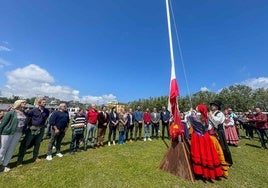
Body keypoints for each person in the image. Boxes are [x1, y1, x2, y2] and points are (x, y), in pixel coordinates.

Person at [187, 104, 222, 180]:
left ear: (199, 109)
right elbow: (209, 126)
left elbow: (188, 118)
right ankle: (209, 171)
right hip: (206, 136)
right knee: (207, 153)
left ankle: (200, 171)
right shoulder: (206, 117)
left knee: (199, 152)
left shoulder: (194, 117)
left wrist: (190, 112)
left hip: (197, 137)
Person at [17, 99, 50, 165]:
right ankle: (20, 161)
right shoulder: (33, 110)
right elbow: (26, 116)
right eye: (43, 102)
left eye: (45, 102)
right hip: (32, 129)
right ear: (39, 103)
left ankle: (35, 157)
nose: (45, 103)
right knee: (26, 144)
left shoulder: (46, 111)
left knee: (37, 144)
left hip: (41, 129)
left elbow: (46, 118)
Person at [0, 100, 26, 172]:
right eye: (23, 102)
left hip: (18, 133)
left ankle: (4, 165)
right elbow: (3, 123)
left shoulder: (23, 113)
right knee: (3, 148)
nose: (25, 103)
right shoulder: (11, 112)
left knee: (11, 149)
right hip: (8, 132)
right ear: (18, 104)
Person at [209, 100, 233, 166]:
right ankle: (219, 159)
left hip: (219, 131)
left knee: (223, 146)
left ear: (217, 107)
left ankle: (227, 160)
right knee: (216, 146)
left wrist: (211, 116)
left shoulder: (220, 113)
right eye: (211, 105)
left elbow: (217, 121)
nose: (211, 106)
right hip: (213, 131)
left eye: (213, 105)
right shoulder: (212, 113)